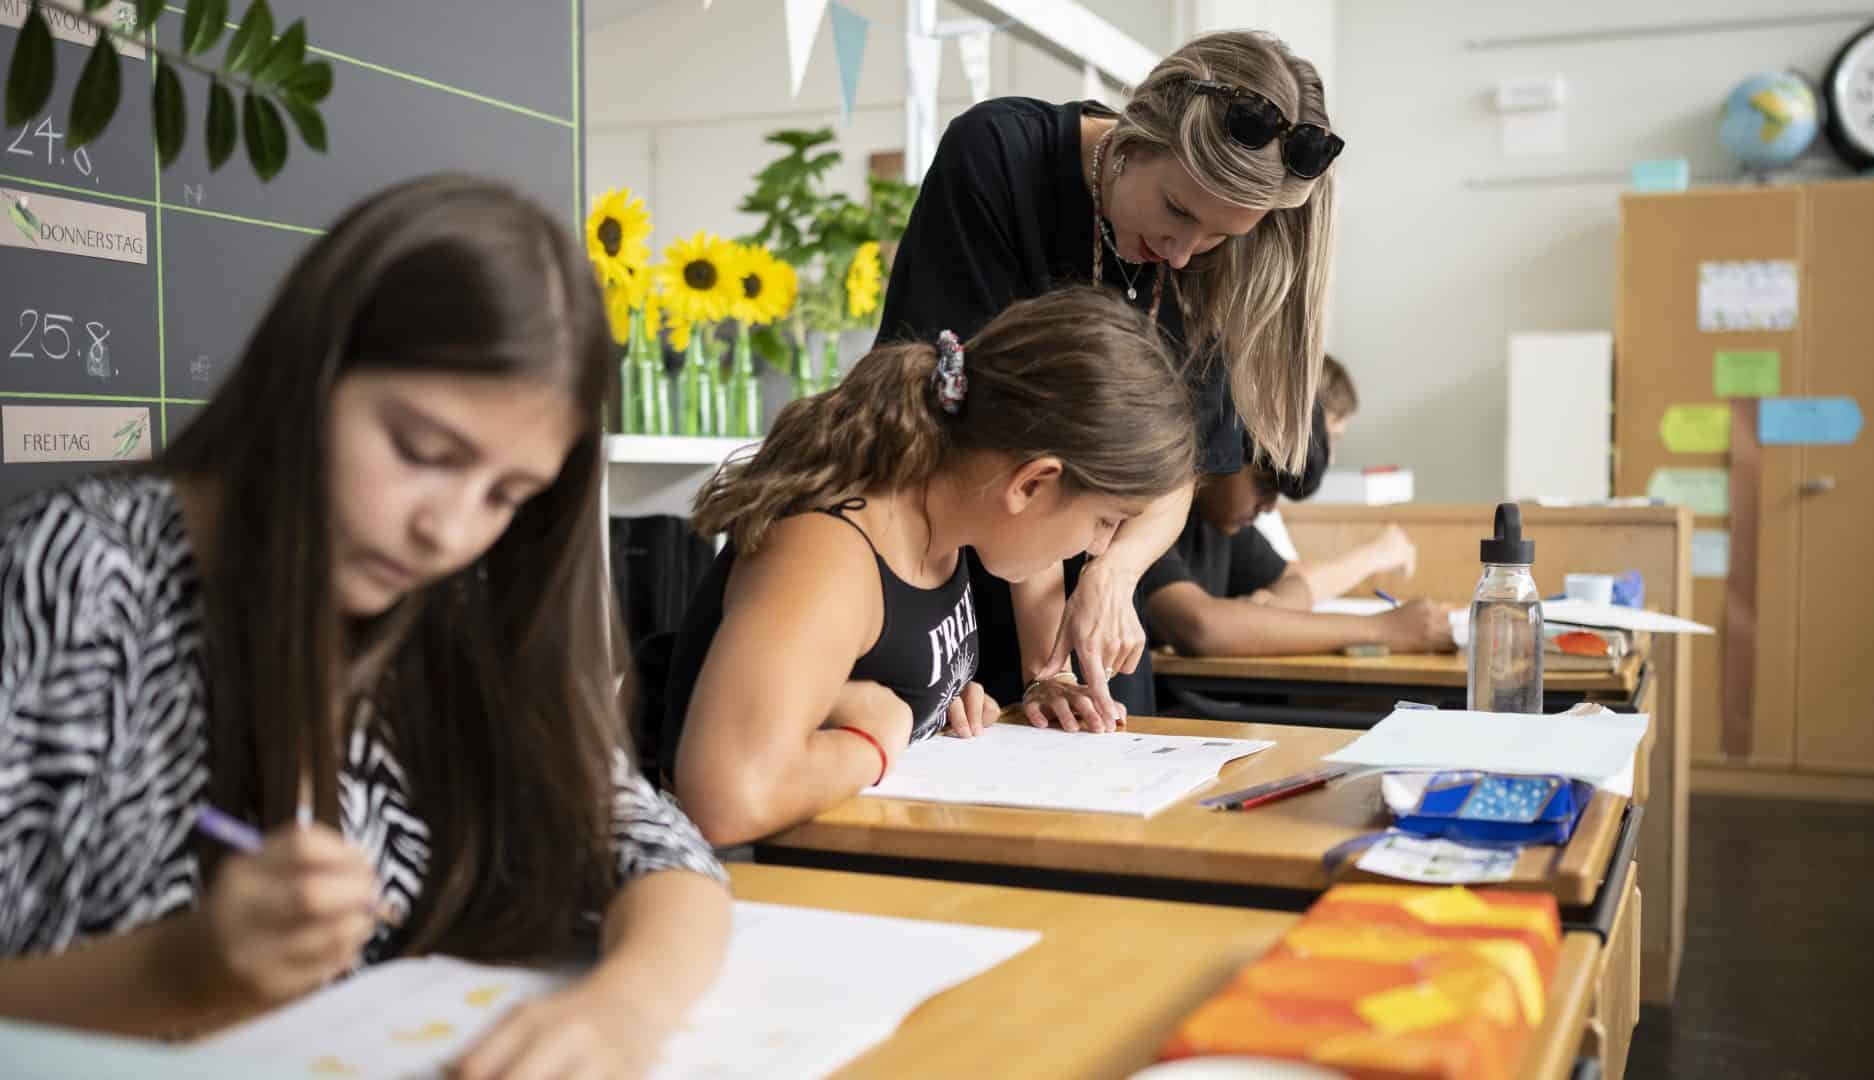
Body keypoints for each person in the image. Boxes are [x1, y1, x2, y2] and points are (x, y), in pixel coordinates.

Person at [0, 175, 729, 1078]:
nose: (450, 530)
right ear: (312, 369)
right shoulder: (79, 574)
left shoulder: (455, 603)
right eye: (423, 452)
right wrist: (182, 970)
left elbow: (663, 856)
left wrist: (624, 1011)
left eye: (507, 495)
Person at [878, 30, 1342, 726]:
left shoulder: (1220, 264)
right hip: (959, 567)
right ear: (1136, 133)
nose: (1183, 255)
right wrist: (1046, 667)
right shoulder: (1002, 157)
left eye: (1220, 235)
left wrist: (1114, 574)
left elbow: (1177, 468)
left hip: (1095, 602)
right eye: (1179, 210)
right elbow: (991, 440)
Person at [659, 289, 1198, 847]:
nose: (1098, 547)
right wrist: (881, 734)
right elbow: (724, 800)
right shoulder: (830, 552)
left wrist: (934, 702)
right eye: (1106, 521)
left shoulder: (940, 526)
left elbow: (860, 671)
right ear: (1032, 483)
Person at [1140, 371, 1454, 657]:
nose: (1269, 507)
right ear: (1220, 448)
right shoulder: (1149, 516)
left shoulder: (1220, 526)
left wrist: (1268, 613)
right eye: (1264, 486)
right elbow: (1200, 627)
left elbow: (1295, 581)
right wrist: (1382, 630)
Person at [1248, 356, 1420, 606]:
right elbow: (1287, 586)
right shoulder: (1247, 499)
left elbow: (1286, 575)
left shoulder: (1266, 503)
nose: (1329, 459)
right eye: (1328, 440)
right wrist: (1377, 554)